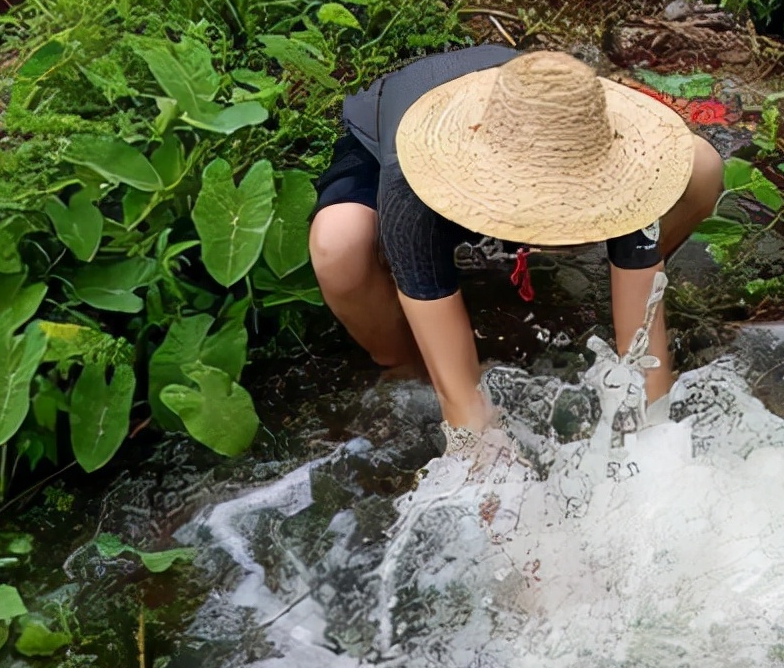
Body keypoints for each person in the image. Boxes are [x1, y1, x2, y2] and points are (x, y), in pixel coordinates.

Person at [308, 46, 724, 444]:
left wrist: (656, 444)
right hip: (409, 141)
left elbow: (646, 367)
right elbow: (464, 408)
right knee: (339, 244)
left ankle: (618, 273)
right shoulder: (410, 188)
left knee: (702, 166)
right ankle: (402, 363)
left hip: (538, 125)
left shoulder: (633, 172)